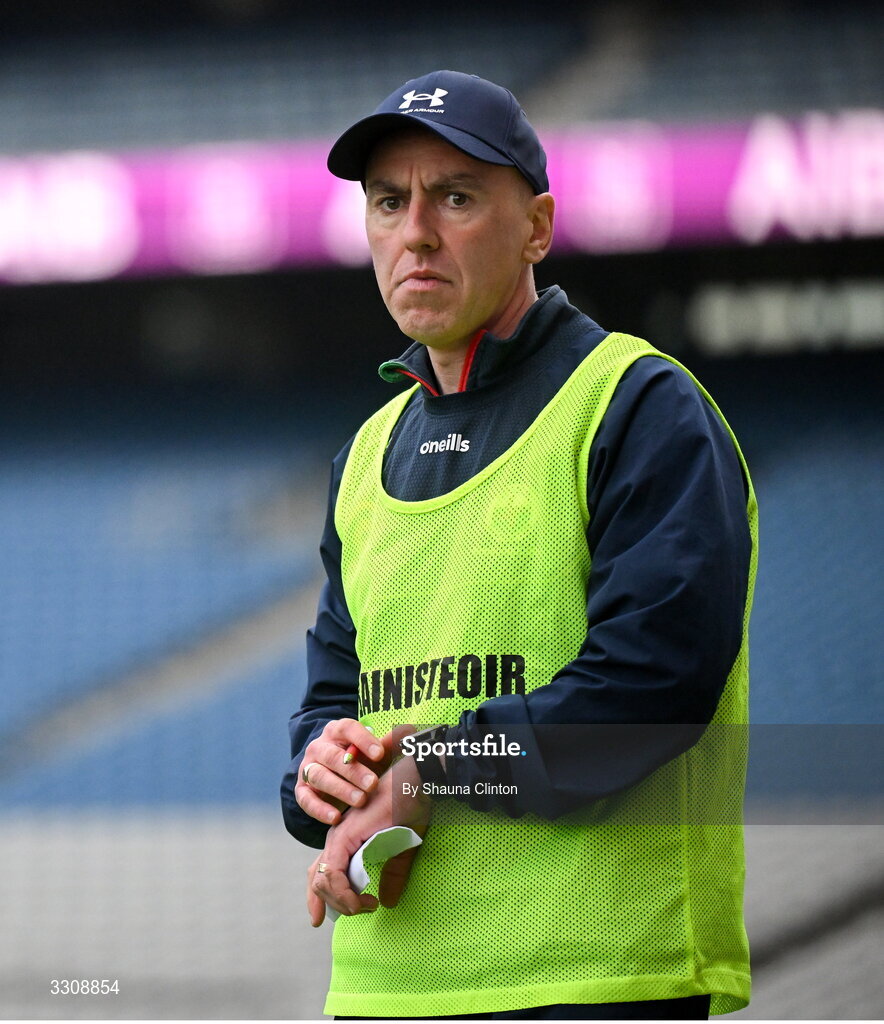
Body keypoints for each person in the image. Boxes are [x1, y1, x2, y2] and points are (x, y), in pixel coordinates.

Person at [281, 70, 757, 1020]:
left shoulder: (637, 404)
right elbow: (332, 702)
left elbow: (651, 691)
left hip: (596, 978)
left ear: (537, 225)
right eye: (387, 202)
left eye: (455, 196)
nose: (414, 230)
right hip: (389, 991)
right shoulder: (364, 453)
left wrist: (428, 767)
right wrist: (318, 774)